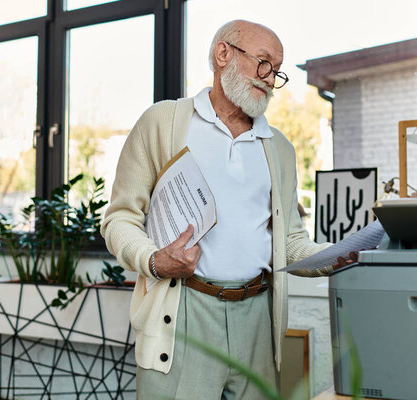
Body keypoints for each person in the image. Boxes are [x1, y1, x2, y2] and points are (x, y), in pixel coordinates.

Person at [101, 19, 355, 400]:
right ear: (224, 54)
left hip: (257, 318)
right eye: (264, 63)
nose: (270, 79)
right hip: (185, 311)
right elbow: (120, 218)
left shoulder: (279, 149)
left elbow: (289, 244)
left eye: (277, 72)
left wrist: (347, 254)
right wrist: (154, 260)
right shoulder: (163, 122)